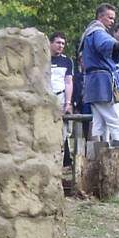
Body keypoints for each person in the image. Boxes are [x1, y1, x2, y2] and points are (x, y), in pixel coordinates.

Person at [79, 3, 119, 147]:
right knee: (118, 121)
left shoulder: (89, 33)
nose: (112, 21)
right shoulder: (98, 31)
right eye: (110, 18)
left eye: (113, 19)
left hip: (94, 83)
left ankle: (98, 155)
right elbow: (104, 44)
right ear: (100, 17)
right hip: (102, 83)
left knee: (99, 124)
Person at [49, 32, 73, 166]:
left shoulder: (67, 61)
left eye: (63, 43)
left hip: (60, 97)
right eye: (58, 42)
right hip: (45, 98)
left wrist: (68, 103)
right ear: (51, 43)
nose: (61, 46)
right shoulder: (42, 58)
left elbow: (68, 82)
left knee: (63, 131)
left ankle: (61, 161)